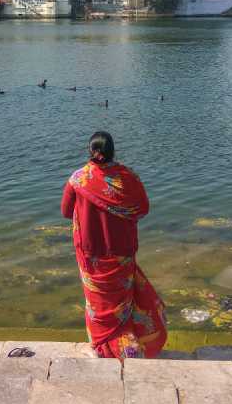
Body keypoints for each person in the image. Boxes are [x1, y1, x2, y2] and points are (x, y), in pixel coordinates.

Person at [61, 131, 167, 359]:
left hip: (91, 252)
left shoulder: (78, 179)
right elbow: (142, 209)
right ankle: (128, 343)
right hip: (122, 251)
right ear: (112, 151)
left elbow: (66, 211)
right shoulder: (128, 177)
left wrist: (89, 211)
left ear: (91, 151)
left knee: (97, 302)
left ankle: (99, 345)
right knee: (122, 301)